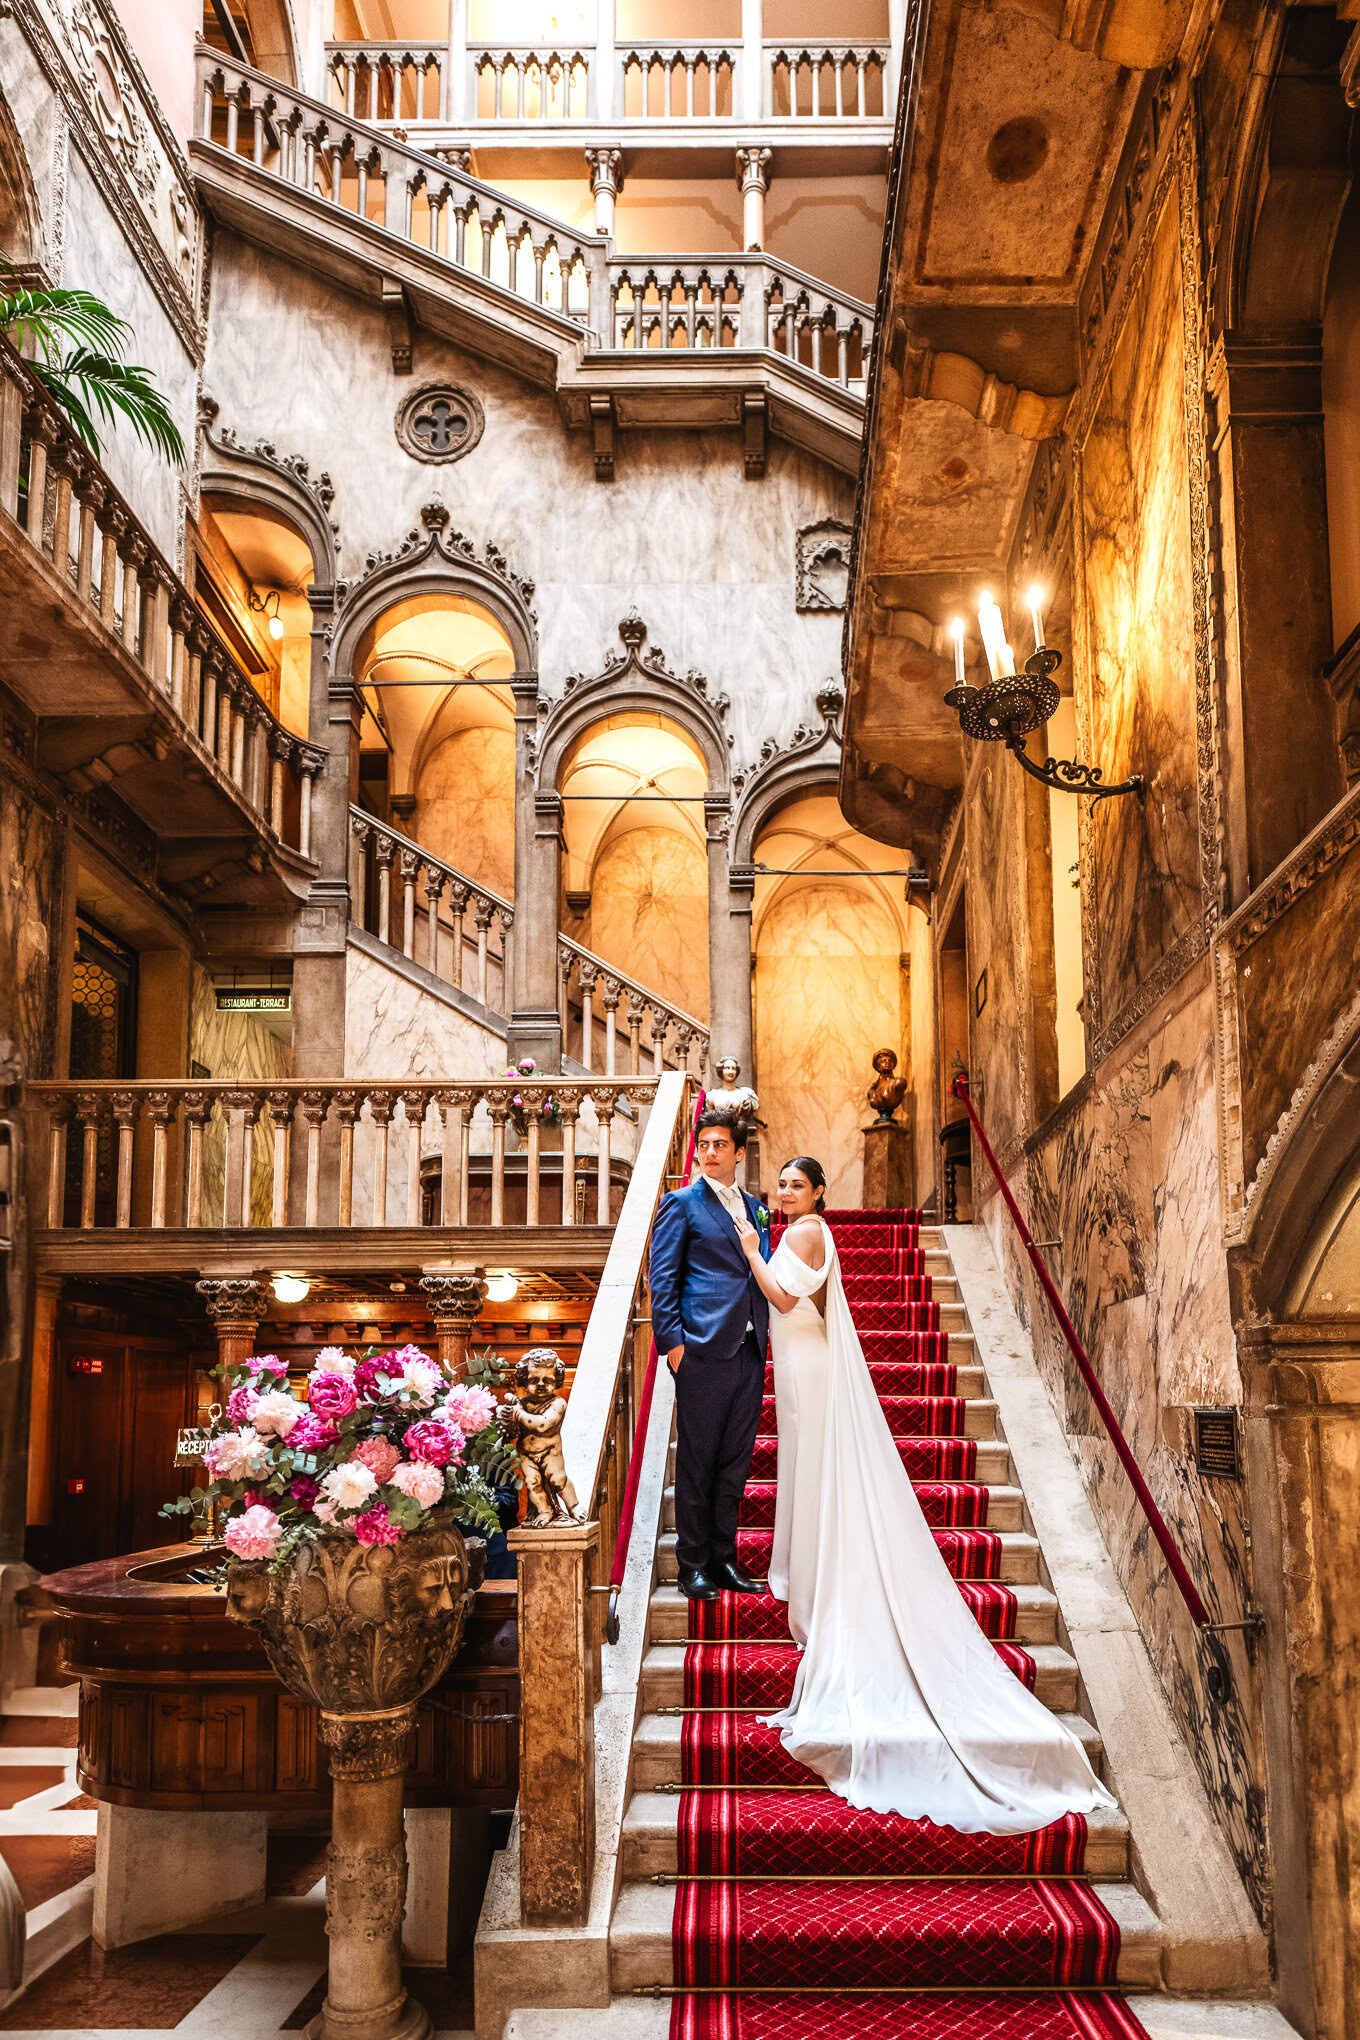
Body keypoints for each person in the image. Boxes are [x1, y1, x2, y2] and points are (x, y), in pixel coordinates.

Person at [732, 1155, 1116, 1833]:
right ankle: (809, 1577)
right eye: (783, 1185)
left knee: (819, 1473)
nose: (786, 1193)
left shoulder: (803, 1233)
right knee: (806, 1472)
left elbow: (786, 1299)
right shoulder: (807, 1231)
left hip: (808, 1363)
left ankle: (823, 1586)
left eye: (797, 1184)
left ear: (819, 1191)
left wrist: (748, 1249)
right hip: (798, 1363)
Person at [648, 1108, 772, 1601]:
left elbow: (756, 1271)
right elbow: (662, 1280)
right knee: (698, 1462)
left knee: (734, 1462)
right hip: (700, 1349)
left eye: (720, 1145)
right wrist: (673, 1346)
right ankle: (692, 1564)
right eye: (703, 1145)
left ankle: (724, 1558)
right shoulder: (681, 1203)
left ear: (739, 1153)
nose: (709, 1152)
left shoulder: (755, 1207)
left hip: (748, 1348)